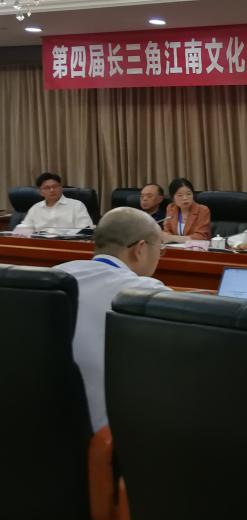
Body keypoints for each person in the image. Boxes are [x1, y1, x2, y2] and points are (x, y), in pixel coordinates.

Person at [55, 207, 168, 432]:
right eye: (161, 249)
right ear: (140, 249)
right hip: (105, 431)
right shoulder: (143, 291)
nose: (160, 256)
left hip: (40, 420)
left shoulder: (56, 274)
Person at [18, 171, 94, 232]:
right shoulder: (35, 208)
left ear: (61, 188)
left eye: (55, 186)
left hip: (68, 244)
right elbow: (23, 230)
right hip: (41, 244)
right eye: (47, 188)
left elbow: (85, 231)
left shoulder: (77, 206)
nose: (52, 190)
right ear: (41, 192)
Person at [162, 177, 211, 242]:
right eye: (180, 195)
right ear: (173, 198)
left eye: (188, 194)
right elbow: (167, 231)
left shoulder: (202, 210)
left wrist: (173, 238)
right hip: (175, 247)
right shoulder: (171, 208)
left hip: (196, 247)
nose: (185, 198)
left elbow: (202, 236)